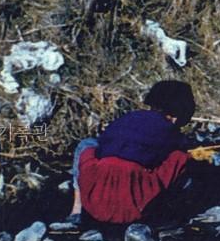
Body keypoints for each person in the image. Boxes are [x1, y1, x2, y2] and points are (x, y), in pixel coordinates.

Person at [70, 80, 195, 225]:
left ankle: (77, 210)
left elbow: (105, 144)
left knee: (86, 144)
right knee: (181, 158)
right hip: (131, 206)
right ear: (179, 114)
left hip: (94, 200)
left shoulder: (129, 117)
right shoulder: (171, 131)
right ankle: (168, 214)